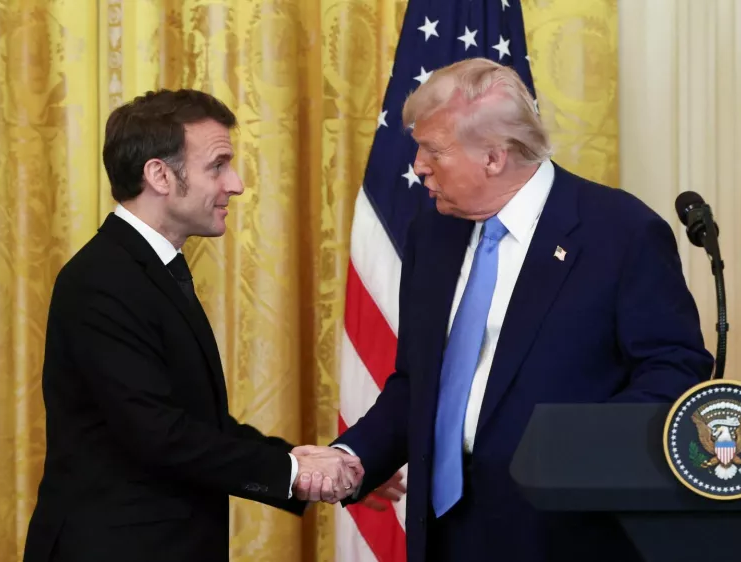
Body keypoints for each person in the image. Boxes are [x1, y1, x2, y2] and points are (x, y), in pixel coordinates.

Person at [300, 58, 714, 562]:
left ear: (494, 158)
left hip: (565, 532)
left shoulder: (620, 232)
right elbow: (417, 381)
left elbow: (674, 367)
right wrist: (353, 455)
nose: (418, 167)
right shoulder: (432, 232)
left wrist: (581, 448)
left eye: (432, 150)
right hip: (444, 528)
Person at [22, 89, 364, 562]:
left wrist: (305, 463)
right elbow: (157, 434)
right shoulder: (101, 279)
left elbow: (198, 425)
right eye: (218, 165)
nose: (237, 183)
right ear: (160, 174)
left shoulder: (146, 269)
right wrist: (291, 471)